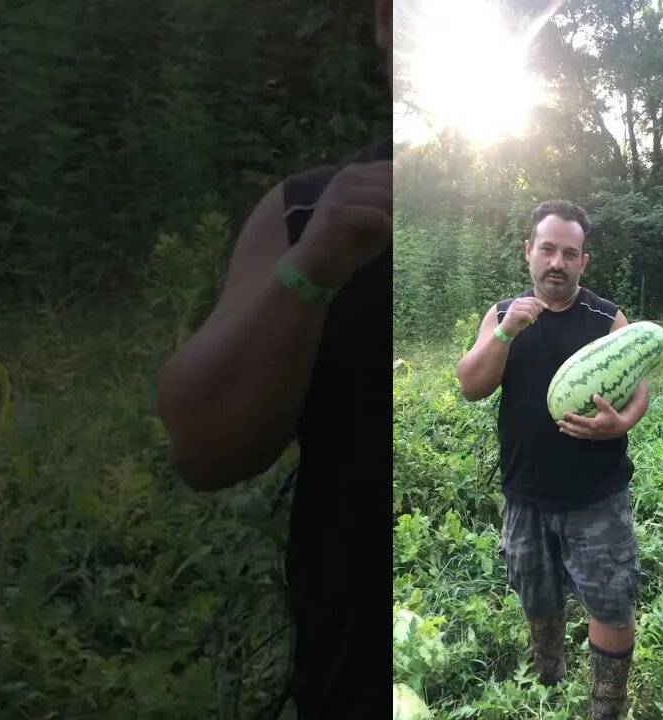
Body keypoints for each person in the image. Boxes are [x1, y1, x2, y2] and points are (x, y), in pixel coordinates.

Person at [154, 2, 393, 717]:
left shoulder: (544, 229)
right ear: (384, 24)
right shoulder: (306, 213)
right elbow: (200, 448)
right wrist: (310, 269)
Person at [456, 200, 648, 719]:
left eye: (569, 252)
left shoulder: (608, 318)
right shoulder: (502, 314)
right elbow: (471, 385)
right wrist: (504, 332)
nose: (556, 262)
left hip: (597, 496)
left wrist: (621, 422)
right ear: (528, 252)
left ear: (584, 261)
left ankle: (607, 705)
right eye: (547, 249)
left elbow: (639, 390)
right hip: (525, 495)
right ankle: (549, 674)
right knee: (537, 595)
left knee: (610, 601)